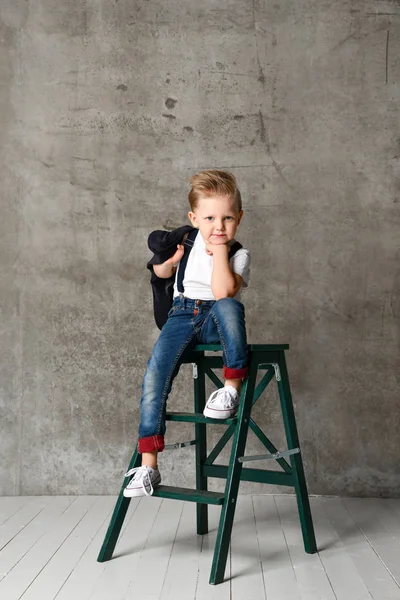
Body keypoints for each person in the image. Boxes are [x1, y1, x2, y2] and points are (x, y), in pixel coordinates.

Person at [123, 169, 251, 497]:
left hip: (214, 318)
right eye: (209, 218)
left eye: (226, 219)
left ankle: (231, 387)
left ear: (239, 218)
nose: (218, 227)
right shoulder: (189, 242)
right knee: (154, 378)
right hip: (181, 315)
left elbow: (224, 293)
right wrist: (167, 265)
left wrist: (220, 251)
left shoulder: (239, 254)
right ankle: (149, 465)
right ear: (194, 219)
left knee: (229, 308)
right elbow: (163, 271)